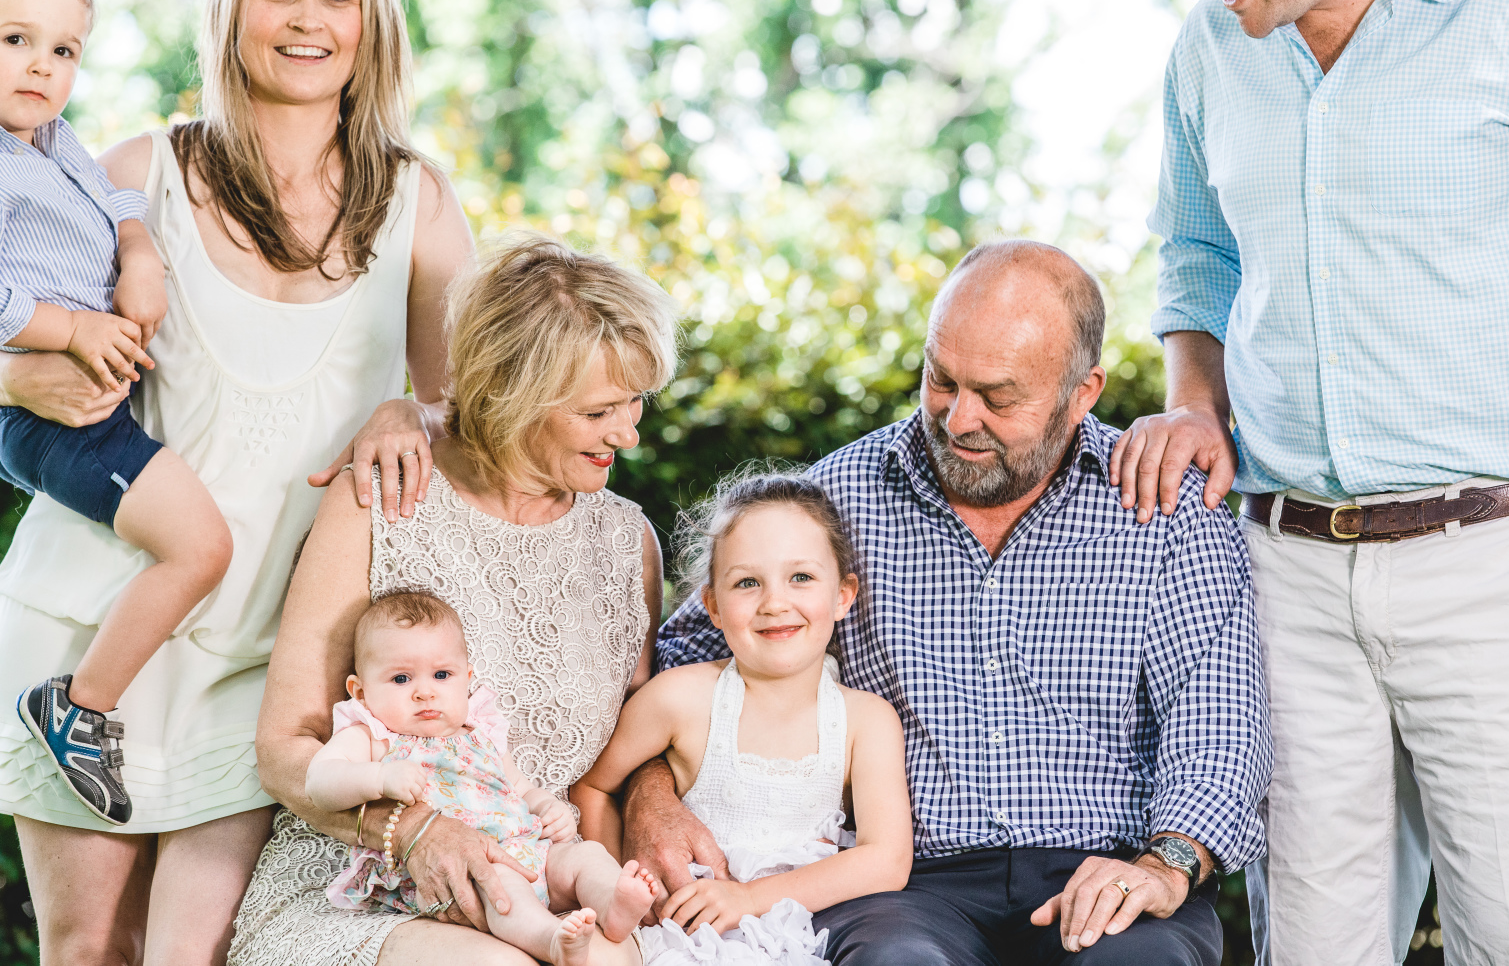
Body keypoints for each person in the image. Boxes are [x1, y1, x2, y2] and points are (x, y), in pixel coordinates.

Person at [1122, 0, 1509, 961]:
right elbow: (1196, 259)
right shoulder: (1209, 51)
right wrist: (1194, 401)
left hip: (1505, 566)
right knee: (1310, 946)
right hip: (1287, 572)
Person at [0, 0, 471, 959]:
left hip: (273, 655)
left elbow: (470, 413)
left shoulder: (419, 201)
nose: (307, 19)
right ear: (230, 11)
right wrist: (19, 379)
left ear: (371, 21)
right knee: (90, 950)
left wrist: (410, 406)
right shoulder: (135, 174)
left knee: (203, 956)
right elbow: (24, 336)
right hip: (90, 631)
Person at [642, 240, 1270, 966]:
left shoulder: (1167, 511)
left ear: (1083, 392)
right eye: (941, 380)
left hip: (1108, 866)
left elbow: (1220, 730)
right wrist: (652, 798)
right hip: (903, 883)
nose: (960, 418)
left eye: (999, 398)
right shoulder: (836, 497)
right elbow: (692, 658)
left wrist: (1164, 865)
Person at [230, 237, 676, 966]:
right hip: (363, 887)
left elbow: (641, 742)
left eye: (636, 403)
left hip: (542, 879)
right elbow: (285, 751)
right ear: (513, 395)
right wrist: (412, 832)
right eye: (600, 411)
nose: (627, 434)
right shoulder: (381, 498)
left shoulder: (630, 543)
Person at [0, 0, 233, 830]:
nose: (41, 66)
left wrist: (139, 254)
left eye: (63, 50)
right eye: (16, 39)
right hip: (56, 417)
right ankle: (78, 706)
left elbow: (115, 200)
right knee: (200, 548)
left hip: (88, 402)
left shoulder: (52, 141)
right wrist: (73, 330)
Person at [574, 469, 913, 965]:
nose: (775, 603)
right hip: (674, 939)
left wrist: (749, 898)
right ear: (712, 605)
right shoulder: (680, 698)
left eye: (801, 577)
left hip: (798, 941)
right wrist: (618, 897)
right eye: (747, 582)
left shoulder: (866, 721)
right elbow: (593, 786)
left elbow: (886, 860)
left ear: (843, 595)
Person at [309, 591, 660, 963]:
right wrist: (379, 777)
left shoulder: (480, 734)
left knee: (586, 855)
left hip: (528, 853)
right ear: (361, 692)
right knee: (499, 881)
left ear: (466, 679)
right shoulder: (374, 738)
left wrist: (548, 808)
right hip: (457, 871)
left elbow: (520, 788)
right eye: (400, 679)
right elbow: (319, 782)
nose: (425, 692)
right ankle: (550, 941)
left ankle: (612, 905)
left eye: (441, 675)